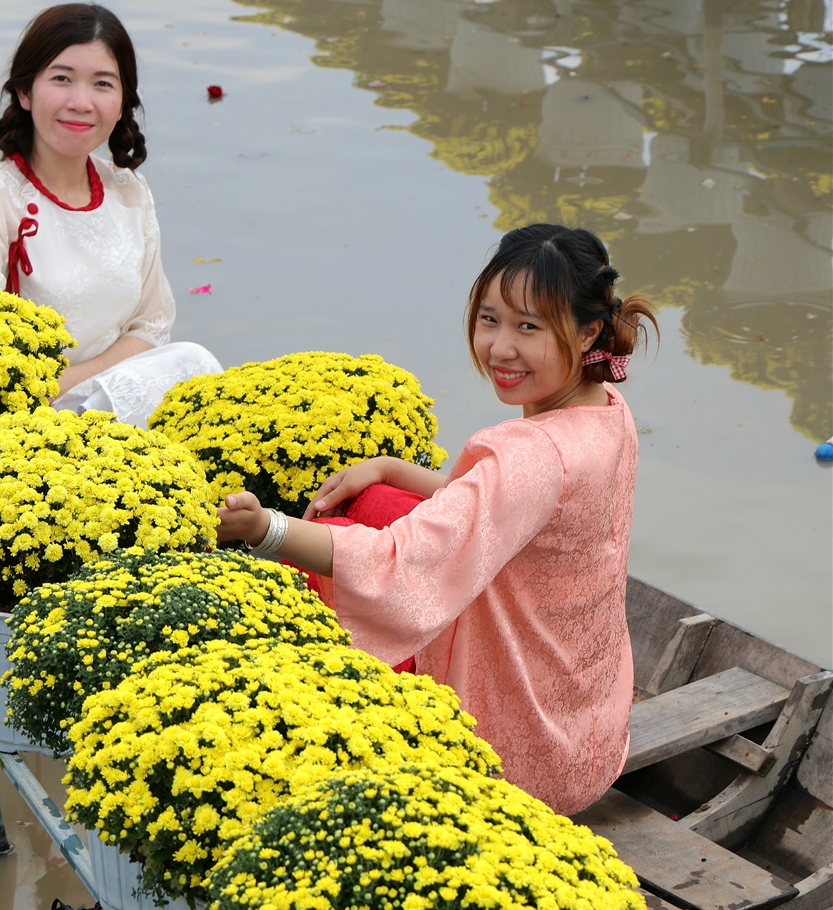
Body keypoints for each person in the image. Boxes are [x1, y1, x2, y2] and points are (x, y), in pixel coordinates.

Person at [216, 225, 658, 816]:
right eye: (490, 319)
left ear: (587, 332)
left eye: (528, 326)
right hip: (588, 731)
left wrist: (265, 529)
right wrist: (391, 467)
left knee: (346, 545)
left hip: (516, 757)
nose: (500, 348)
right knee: (376, 504)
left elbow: (398, 569)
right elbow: (496, 506)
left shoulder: (531, 455)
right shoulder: (607, 411)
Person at [0, 3, 220, 427]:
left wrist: (75, 384)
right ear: (25, 92)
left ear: (122, 104)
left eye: (102, 84)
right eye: (62, 79)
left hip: (103, 398)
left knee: (192, 363)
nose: (80, 102)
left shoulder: (128, 190)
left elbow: (151, 325)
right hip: (19, 418)